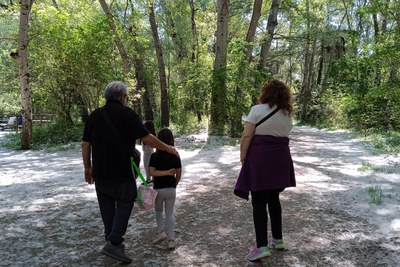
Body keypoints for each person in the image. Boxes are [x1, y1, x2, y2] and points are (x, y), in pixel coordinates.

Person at [81, 81, 179, 264]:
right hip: (122, 171)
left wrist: (87, 167)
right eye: (126, 97)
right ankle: (114, 242)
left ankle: (113, 242)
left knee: (107, 206)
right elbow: (147, 137)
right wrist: (168, 148)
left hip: (100, 172)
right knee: (126, 201)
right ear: (122, 97)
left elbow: (86, 144)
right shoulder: (127, 115)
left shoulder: (94, 116)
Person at [234, 80, 296, 262]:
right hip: (280, 159)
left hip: (260, 159)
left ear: (265, 93)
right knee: (274, 199)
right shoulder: (287, 115)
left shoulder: (257, 110)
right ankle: (278, 240)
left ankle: (261, 246)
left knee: (259, 202)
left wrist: (243, 155)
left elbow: (247, 135)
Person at [149, 128, 182, 249]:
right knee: (169, 213)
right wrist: (174, 182)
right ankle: (171, 240)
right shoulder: (175, 155)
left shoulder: (154, 156)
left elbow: (151, 172)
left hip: (158, 189)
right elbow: (179, 172)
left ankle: (161, 232)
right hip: (171, 189)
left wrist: (164, 173)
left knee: (158, 211)